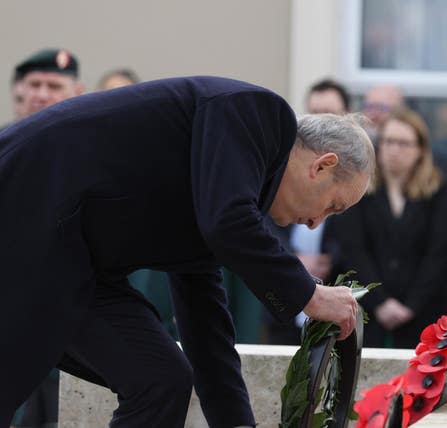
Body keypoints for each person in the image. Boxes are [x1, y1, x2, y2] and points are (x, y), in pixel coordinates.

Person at [0, 76, 374, 428]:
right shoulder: (257, 114)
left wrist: (237, 423)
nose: (315, 224)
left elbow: (204, 320)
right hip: (26, 212)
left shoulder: (230, 195)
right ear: (323, 166)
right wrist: (309, 295)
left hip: (75, 261)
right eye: (333, 206)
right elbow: (227, 224)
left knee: (159, 377)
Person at [326, 108, 447, 348]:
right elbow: (353, 250)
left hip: (424, 312)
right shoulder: (359, 193)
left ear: (420, 150)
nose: (394, 150)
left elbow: (440, 254)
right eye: (389, 142)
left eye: (404, 143)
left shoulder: (444, 194)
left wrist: (411, 305)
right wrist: (380, 302)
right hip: (368, 312)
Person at [6, 47, 84, 428]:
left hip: (74, 347)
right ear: (18, 92)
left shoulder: (94, 161)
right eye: (34, 84)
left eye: (54, 85)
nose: (41, 93)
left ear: (77, 93)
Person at [265, 78, 351, 344]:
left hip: (335, 289)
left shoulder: (355, 175)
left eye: (329, 114)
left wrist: (326, 260)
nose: (320, 122)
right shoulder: (283, 163)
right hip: (284, 298)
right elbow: (264, 219)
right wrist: (292, 259)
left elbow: (357, 236)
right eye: (314, 113)